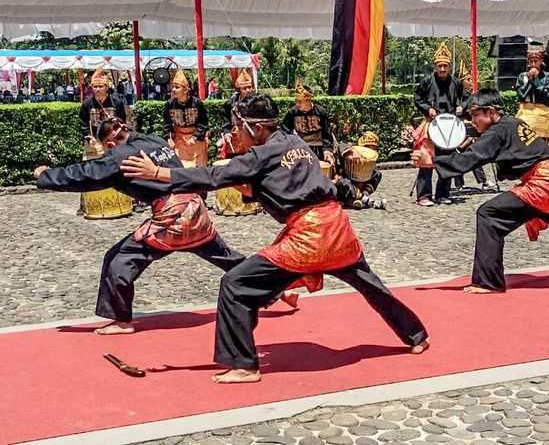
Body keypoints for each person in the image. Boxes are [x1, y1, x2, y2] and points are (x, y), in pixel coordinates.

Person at [121, 93, 429, 383]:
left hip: (308, 239)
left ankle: (243, 365)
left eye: (237, 128)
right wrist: (255, 191)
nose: (234, 135)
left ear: (254, 128)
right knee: (369, 284)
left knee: (236, 284)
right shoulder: (294, 142)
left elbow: (213, 177)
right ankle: (416, 336)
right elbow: (287, 183)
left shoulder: (258, 156)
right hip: (337, 227)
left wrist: (158, 173)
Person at [33, 117, 295, 335]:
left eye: (106, 147)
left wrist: (45, 176)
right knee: (226, 257)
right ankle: (278, 291)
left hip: (172, 219)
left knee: (120, 259)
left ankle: (122, 321)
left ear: (110, 142)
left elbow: (85, 174)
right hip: (195, 209)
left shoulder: (119, 156)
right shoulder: (154, 141)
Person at [411, 89, 549, 294]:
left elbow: (472, 157)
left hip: (545, 183)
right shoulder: (514, 122)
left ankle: (489, 282)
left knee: (489, 214)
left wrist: (432, 162)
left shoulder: (496, 132)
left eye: (475, 115)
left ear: (492, 112)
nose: (473, 121)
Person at [413, 41, 464, 206]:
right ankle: (424, 195)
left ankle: (443, 194)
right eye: (440, 66)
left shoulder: (456, 83)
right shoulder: (427, 81)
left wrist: (461, 107)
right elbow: (418, 98)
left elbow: (466, 99)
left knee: (446, 160)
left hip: (449, 125)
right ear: (435, 66)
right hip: (432, 124)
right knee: (426, 160)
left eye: (445, 66)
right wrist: (428, 109)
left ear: (449, 66)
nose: (442, 69)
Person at [453, 60, 495, 193]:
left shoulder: (469, 96)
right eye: (467, 79)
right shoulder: (454, 95)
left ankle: (468, 182)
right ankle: (474, 182)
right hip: (460, 128)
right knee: (466, 155)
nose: (470, 82)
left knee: (469, 154)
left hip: (468, 128)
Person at [162, 68, 209, 167]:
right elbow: (167, 123)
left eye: (177, 87)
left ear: (186, 89)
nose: (173, 90)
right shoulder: (169, 104)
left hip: (196, 140)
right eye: (173, 87)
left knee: (198, 168)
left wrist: (195, 137)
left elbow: (203, 123)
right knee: (181, 166)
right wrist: (168, 137)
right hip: (179, 139)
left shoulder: (197, 103)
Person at [281, 80, 336, 165]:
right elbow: (285, 131)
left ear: (308, 100)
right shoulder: (292, 112)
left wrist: (327, 150)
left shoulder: (320, 112)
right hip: (300, 147)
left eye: (300, 101)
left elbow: (326, 133)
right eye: (296, 101)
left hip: (319, 147)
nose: (297, 104)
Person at [334, 131, 387, 210]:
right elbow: (342, 145)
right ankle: (369, 202)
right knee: (342, 182)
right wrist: (352, 151)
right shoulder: (352, 147)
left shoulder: (369, 158)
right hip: (347, 179)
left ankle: (362, 196)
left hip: (362, 183)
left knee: (377, 174)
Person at [515, 46, 549, 148]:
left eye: (536, 61)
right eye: (531, 61)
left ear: (541, 61)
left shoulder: (547, 76)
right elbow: (521, 96)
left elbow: (544, 95)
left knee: (540, 142)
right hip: (526, 112)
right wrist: (529, 80)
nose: (533, 64)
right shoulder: (522, 76)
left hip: (542, 112)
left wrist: (536, 80)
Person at [219, 68, 256, 159]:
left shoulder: (257, 102)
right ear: (239, 90)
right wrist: (226, 132)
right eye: (245, 88)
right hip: (235, 135)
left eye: (249, 87)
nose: (248, 90)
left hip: (252, 135)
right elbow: (226, 120)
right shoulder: (230, 104)